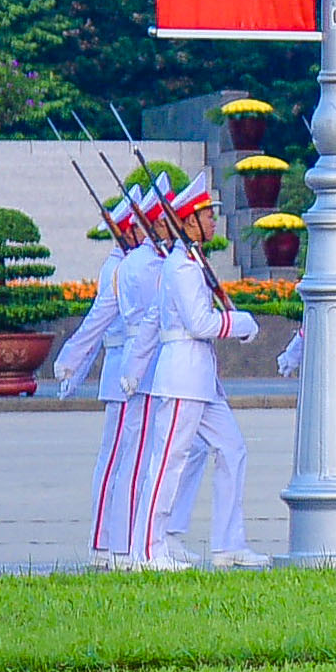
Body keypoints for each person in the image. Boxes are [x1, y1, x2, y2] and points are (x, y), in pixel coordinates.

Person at [134, 175, 263, 568]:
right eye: (207, 216)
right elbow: (198, 324)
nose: (212, 223)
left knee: (232, 449)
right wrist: (239, 323)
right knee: (168, 460)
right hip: (182, 376)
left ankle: (228, 543)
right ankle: (149, 548)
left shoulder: (191, 261)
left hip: (201, 380)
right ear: (188, 221)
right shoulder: (182, 268)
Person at [49, 192, 157, 568]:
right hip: (122, 369)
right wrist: (71, 363)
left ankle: (121, 538)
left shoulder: (131, 264)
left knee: (132, 459)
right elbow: (97, 324)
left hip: (133, 366)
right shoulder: (118, 268)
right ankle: (105, 542)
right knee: (116, 460)